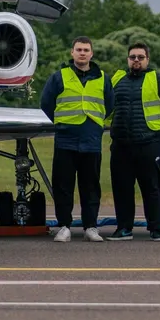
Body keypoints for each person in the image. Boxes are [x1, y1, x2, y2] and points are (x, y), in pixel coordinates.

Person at [40, 36, 114, 243]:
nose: (82, 53)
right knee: (63, 185)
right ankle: (64, 226)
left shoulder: (102, 78)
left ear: (92, 53)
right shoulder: (59, 77)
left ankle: (91, 227)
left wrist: (94, 121)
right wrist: (62, 121)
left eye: (86, 50)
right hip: (66, 139)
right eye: (79, 49)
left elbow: (109, 104)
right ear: (72, 53)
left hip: (91, 140)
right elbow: (46, 102)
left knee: (91, 186)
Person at [108, 42, 160, 242]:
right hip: (122, 144)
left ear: (147, 59)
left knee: (153, 188)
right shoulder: (117, 78)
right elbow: (108, 104)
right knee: (122, 188)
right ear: (127, 59)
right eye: (133, 57)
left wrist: (154, 128)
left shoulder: (159, 79)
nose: (136, 60)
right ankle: (124, 228)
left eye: (140, 57)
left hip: (149, 143)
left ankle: (156, 229)